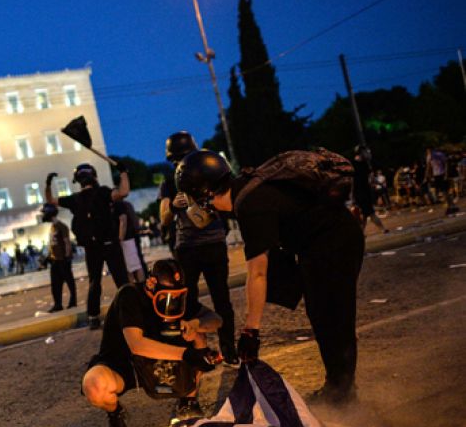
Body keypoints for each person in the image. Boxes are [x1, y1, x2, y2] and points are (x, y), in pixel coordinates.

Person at [177, 149, 364, 405]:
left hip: (334, 243)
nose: (192, 205)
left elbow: (257, 273)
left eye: (191, 197)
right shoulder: (247, 189)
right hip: (319, 245)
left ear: (204, 193)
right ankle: (338, 386)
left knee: (333, 318)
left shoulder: (249, 204)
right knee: (322, 316)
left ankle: (343, 395)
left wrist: (251, 330)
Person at [81, 260, 222, 427]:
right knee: (94, 385)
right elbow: (137, 344)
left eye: (177, 296)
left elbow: (215, 319)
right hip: (128, 364)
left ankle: (189, 400)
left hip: (163, 362)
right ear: (150, 287)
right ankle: (115, 412)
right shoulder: (130, 295)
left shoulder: (179, 301)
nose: (173, 302)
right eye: (167, 296)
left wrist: (195, 324)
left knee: (197, 334)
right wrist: (185, 354)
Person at [158, 132, 238, 365]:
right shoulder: (169, 182)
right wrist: (173, 206)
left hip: (213, 244)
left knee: (222, 298)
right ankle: (198, 349)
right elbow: (163, 218)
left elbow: (228, 201)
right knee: (188, 303)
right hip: (187, 248)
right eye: (177, 160)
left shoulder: (209, 171)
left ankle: (228, 349)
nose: (181, 164)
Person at [46, 162, 131, 329]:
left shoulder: (75, 199)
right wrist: (123, 172)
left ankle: (93, 316)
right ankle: (131, 312)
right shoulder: (103, 192)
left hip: (91, 248)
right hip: (109, 243)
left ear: (78, 180)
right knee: (121, 281)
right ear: (94, 176)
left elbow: (50, 199)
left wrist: (48, 184)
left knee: (94, 282)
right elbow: (124, 192)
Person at [40, 203, 77, 312]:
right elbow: (52, 244)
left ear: (49, 213)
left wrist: (67, 257)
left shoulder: (62, 226)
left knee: (69, 280)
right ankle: (58, 304)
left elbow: (67, 243)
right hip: (55, 260)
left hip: (63, 260)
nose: (43, 215)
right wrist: (48, 257)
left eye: (44, 213)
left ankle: (73, 301)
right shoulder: (52, 227)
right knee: (55, 284)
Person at [352, 145, 388, 234]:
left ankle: (361, 233)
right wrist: (351, 195)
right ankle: (383, 228)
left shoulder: (365, 164)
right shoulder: (353, 164)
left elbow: (371, 177)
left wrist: (380, 184)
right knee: (370, 212)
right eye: (365, 152)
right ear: (360, 152)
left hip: (366, 191)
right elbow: (350, 180)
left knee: (365, 214)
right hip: (359, 193)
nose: (367, 154)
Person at [115, 198, 147, 284]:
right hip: (132, 237)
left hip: (127, 240)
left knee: (132, 268)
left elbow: (123, 222)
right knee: (136, 265)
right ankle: (141, 287)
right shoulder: (126, 204)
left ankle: (137, 289)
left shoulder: (119, 205)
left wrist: (120, 239)